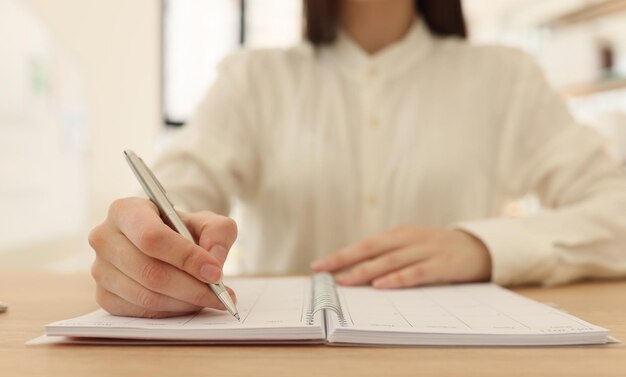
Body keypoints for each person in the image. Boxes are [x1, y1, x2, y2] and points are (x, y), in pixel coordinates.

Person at [88, 0, 626, 318]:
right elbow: (179, 196)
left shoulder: (505, 76)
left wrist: (483, 247)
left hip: (457, 370)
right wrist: (149, 242)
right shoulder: (253, 78)